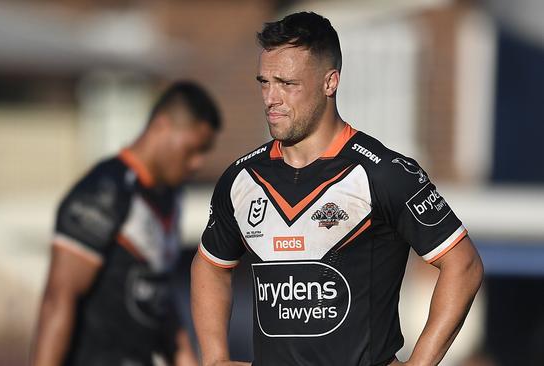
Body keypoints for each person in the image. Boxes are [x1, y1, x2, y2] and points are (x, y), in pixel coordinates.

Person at [191, 12, 483, 366]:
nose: (271, 98)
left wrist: (420, 363)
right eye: (264, 82)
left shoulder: (383, 173)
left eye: (287, 83)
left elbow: (463, 265)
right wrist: (214, 357)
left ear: (330, 82)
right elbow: (210, 265)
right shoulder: (241, 178)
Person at [32, 81, 221, 366]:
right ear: (162, 126)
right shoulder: (104, 191)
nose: (197, 163)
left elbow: (160, 299)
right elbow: (59, 299)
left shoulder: (170, 197)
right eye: (194, 149)